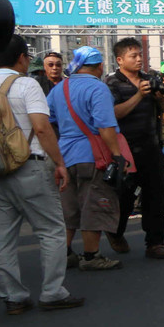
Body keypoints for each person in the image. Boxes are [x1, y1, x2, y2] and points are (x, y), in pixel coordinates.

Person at [0, 35, 83, 312]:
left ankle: (14, 296)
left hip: (0, 171)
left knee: (4, 237)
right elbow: (43, 128)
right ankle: (52, 292)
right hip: (30, 165)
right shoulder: (26, 84)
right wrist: (59, 163)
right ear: (22, 58)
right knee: (51, 231)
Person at [46, 47, 123, 271]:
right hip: (92, 156)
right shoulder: (98, 88)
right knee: (94, 203)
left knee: (68, 207)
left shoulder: (60, 88)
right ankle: (91, 256)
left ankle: (66, 253)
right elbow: (105, 126)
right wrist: (117, 156)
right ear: (99, 66)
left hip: (64, 156)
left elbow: (47, 119)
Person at [106, 37, 164, 259]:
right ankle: (115, 232)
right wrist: (139, 95)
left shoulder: (151, 78)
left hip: (151, 146)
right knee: (123, 196)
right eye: (133, 56)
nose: (138, 60)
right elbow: (114, 113)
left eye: (140, 55)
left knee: (156, 194)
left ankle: (155, 243)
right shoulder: (112, 83)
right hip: (124, 150)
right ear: (120, 59)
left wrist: (159, 99)